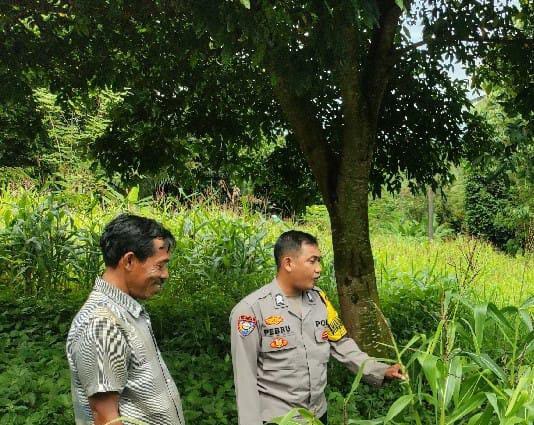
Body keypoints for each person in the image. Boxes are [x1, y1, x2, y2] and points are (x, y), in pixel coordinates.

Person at [230, 230, 405, 425]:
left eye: (319, 261)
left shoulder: (319, 300)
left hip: (317, 415)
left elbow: (342, 344)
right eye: (312, 261)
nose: (319, 269)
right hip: (278, 419)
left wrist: (380, 370)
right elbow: (245, 378)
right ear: (288, 263)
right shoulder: (251, 311)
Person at [66, 214, 185, 425]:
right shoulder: (103, 323)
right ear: (129, 261)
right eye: (160, 266)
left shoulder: (124, 312)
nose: (165, 275)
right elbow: (106, 417)